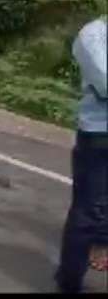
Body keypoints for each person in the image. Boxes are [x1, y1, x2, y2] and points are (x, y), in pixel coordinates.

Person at [55, 16, 108, 294]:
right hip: (100, 134)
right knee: (87, 211)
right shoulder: (93, 35)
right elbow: (105, 82)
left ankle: (101, 245)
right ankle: (69, 282)